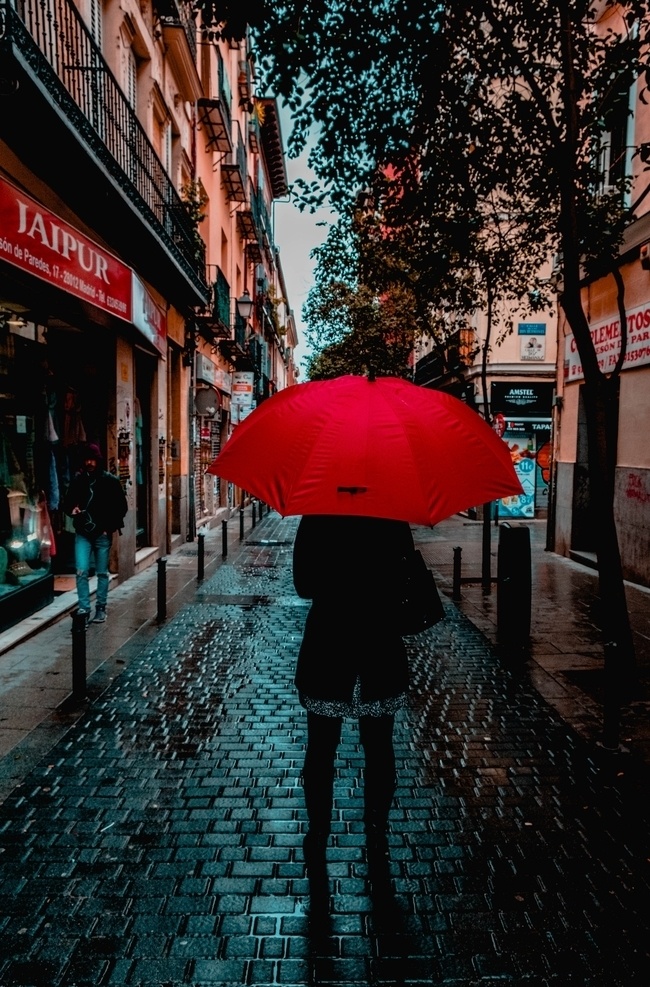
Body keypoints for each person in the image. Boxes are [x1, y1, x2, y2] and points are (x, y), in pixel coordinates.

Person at [292, 513, 415, 869]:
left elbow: (303, 583)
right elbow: (406, 578)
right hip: (379, 647)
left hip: (329, 647)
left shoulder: (318, 516)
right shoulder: (392, 516)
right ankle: (376, 830)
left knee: (321, 748)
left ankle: (318, 833)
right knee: (379, 747)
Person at [63, 443, 128, 625]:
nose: (90, 463)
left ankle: (101, 608)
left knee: (101, 573)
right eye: (86, 460)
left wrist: (109, 528)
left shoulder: (110, 481)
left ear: (98, 460)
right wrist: (72, 509)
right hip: (83, 533)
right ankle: (84, 607)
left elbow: (121, 507)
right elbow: (67, 503)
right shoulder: (78, 481)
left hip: (102, 534)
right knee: (81, 570)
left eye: (92, 459)